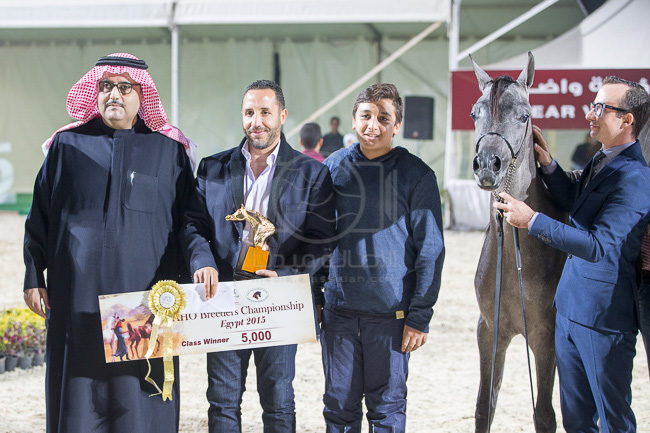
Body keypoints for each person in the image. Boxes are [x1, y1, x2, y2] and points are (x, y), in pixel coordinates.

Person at [23, 53, 196, 433]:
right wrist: (34, 276)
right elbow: (39, 218)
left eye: (124, 87)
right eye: (105, 86)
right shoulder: (67, 146)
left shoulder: (169, 151)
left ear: (142, 94)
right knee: (78, 399)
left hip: (143, 300)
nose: (113, 94)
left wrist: (197, 268)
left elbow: (189, 221)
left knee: (139, 399)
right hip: (76, 296)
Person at [494, 76, 650, 432]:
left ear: (627, 120)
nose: (591, 114)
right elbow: (574, 204)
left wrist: (532, 220)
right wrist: (549, 165)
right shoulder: (603, 159)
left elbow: (598, 245)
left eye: (601, 108)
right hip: (569, 308)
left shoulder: (637, 178)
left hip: (604, 318)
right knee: (576, 421)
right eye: (593, 105)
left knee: (613, 421)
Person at [180, 79, 336, 433]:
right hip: (223, 298)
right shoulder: (213, 168)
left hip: (278, 299)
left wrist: (287, 275)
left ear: (282, 115)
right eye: (249, 113)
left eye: (265, 112)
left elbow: (322, 241)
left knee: (278, 402)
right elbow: (192, 224)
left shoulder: (312, 173)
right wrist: (202, 262)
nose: (256, 121)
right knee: (222, 402)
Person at [319, 83, 445, 432]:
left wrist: (419, 315)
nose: (372, 125)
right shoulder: (332, 168)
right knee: (338, 410)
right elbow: (317, 239)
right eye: (365, 116)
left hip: (392, 319)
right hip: (339, 317)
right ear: (353, 120)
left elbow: (431, 250)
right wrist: (316, 296)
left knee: (387, 411)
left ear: (397, 125)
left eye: (383, 118)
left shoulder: (417, 174)